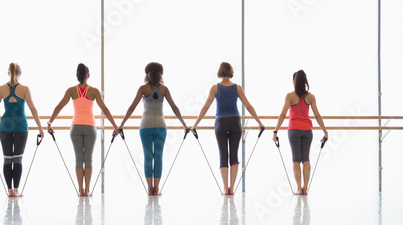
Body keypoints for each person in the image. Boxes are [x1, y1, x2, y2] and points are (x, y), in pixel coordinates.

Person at [191, 62, 264, 195]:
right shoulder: (237, 88)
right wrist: (259, 122)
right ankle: (232, 187)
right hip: (235, 121)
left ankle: (226, 188)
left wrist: (195, 125)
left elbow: (205, 107)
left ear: (220, 72)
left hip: (221, 123)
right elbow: (249, 106)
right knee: (234, 156)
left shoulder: (215, 88)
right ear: (230, 72)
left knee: (223, 156)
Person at [48, 63, 119, 197]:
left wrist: (50, 122)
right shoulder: (94, 91)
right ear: (88, 75)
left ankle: (81, 190)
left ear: (77, 76)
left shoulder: (71, 90)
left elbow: (59, 107)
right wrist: (115, 126)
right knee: (88, 159)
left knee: (78, 159)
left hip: (75, 127)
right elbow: (105, 110)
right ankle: (87, 190)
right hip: (90, 127)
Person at [119, 62, 188, 196]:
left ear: (147, 74)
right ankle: (156, 188)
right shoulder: (164, 89)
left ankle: (149, 189)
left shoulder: (142, 89)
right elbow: (174, 108)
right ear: (161, 74)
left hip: (145, 126)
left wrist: (121, 125)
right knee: (158, 157)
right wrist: (185, 125)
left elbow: (131, 108)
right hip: (161, 127)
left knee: (147, 157)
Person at [0, 63, 44, 197]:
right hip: (21, 127)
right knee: (17, 159)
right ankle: (16, 191)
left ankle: (10, 191)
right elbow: (33, 108)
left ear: (8, 73)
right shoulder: (25, 89)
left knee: (7, 159)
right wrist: (40, 127)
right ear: (20, 74)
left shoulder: (1, 89)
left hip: (4, 127)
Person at [272, 70, 328, 195]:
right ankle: (305, 188)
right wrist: (325, 132)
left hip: (293, 130)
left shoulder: (289, 96)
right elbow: (317, 116)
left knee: (296, 160)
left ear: (294, 82)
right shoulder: (310, 97)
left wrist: (275, 131)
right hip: (307, 130)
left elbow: (282, 114)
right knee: (306, 159)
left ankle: (299, 188)